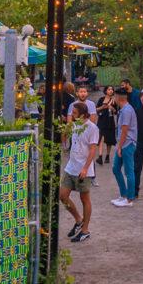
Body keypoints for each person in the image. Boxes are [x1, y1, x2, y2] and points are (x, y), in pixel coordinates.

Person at [59, 101, 99, 243]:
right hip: (71, 166)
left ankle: (85, 230)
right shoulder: (75, 125)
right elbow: (65, 136)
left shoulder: (92, 128)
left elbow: (93, 149)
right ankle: (78, 219)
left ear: (82, 114)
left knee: (85, 199)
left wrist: (85, 168)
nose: (72, 115)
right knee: (62, 195)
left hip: (84, 169)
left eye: (74, 113)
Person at [110, 87, 139, 207]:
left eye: (114, 97)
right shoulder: (123, 109)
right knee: (116, 168)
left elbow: (124, 131)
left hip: (127, 144)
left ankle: (129, 199)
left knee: (129, 171)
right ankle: (123, 195)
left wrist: (120, 147)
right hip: (123, 144)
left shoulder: (127, 110)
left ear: (118, 98)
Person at [95, 86, 116, 166]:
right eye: (109, 89)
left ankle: (107, 155)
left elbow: (116, 112)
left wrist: (112, 108)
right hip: (101, 120)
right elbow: (96, 109)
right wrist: (102, 107)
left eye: (112, 89)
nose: (110, 91)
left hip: (110, 121)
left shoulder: (114, 101)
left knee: (109, 139)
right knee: (100, 138)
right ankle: (100, 156)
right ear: (106, 91)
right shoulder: (101, 99)